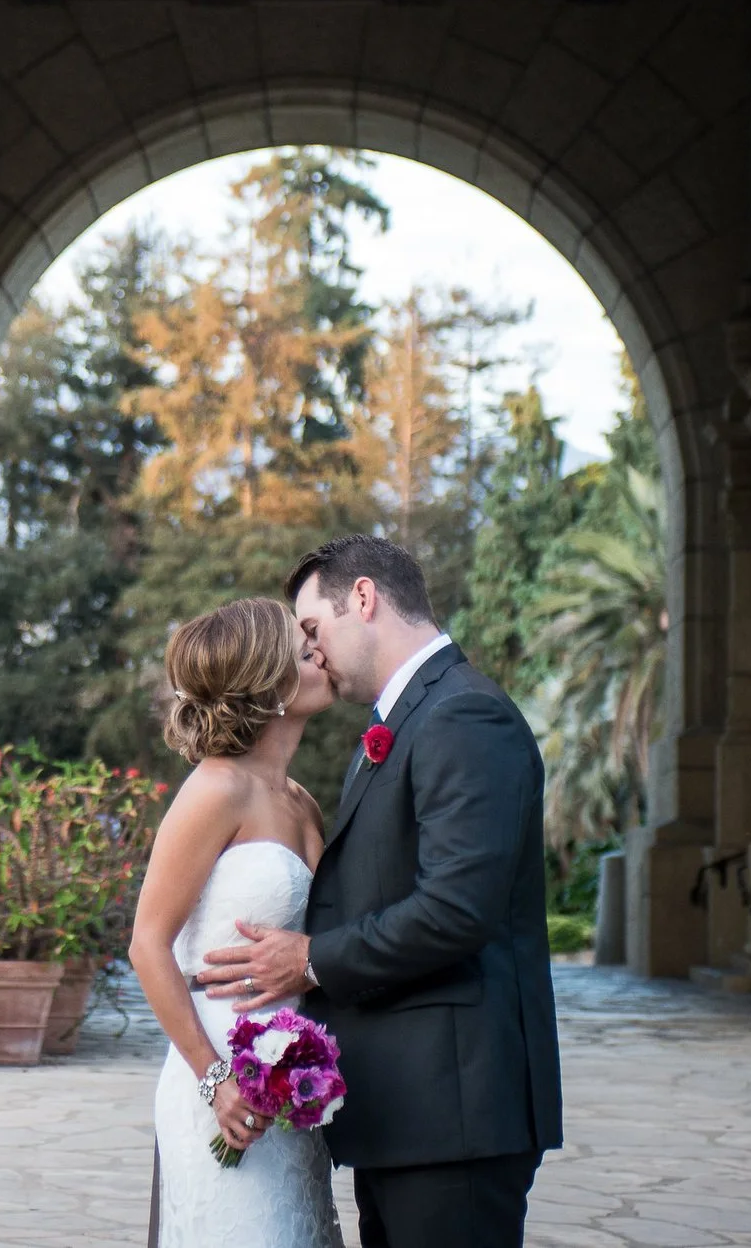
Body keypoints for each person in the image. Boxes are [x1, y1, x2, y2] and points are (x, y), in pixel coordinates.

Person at [197, 534, 562, 1248]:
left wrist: (310, 960)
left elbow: (457, 908)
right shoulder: (403, 722)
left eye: (311, 629)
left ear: (362, 598)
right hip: (411, 1111)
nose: (310, 651)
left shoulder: (462, 714)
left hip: (454, 1112)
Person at [130, 596, 345, 1248]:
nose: (318, 650)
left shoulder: (301, 800)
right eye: (301, 647)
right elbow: (148, 945)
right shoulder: (215, 789)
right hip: (222, 1070)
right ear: (266, 681)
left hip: (295, 1079)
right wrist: (215, 1080)